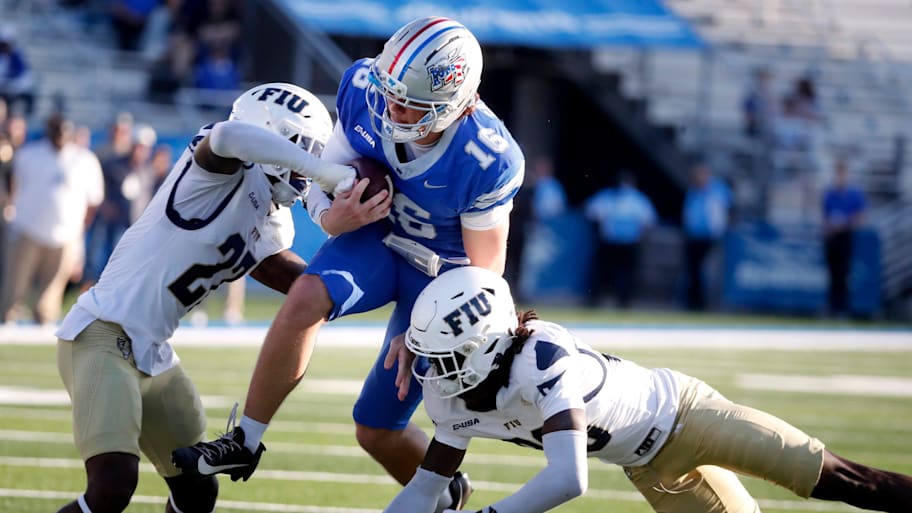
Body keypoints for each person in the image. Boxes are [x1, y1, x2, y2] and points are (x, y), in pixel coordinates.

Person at [173, 16, 525, 512]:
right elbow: (326, 179)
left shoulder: (486, 157)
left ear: (457, 104)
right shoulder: (364, 87)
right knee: (307, 294)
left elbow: (484, 276)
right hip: (376, 238)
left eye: (409, 102)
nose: (391, 107)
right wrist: (331, 219)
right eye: (390, 92)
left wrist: (428, 333)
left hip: (444, 277)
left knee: (375, 430)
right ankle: (245, 440)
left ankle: (447, 497)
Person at [381, 265, 912, 513]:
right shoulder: (449, 395)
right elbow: (426, 489)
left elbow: (568, 479)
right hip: (651, 469)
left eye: (446, 358)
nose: (434, 372)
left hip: (688, 415)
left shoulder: (541, 356)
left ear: (488, 342)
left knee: (840, 479)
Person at [52, 82, 355, 513]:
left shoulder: (273, 218)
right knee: (113, 484)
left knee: (198, 489)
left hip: (154, 351)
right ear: (270, 134)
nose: (307, 170)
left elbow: (304, 285)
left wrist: (365, 265)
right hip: (103, 333)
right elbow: (227, 136)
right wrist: (322, 171)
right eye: (302, 150)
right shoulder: (215, 170)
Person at [0, 114, 103, 325]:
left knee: (49, 297)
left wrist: (79, 233)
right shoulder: (29, 155)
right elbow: (13, 187)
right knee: (13, 289)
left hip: (66, 235)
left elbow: (93, 201)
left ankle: (43, 326)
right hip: (27, 230)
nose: (59, 136)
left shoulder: (84, 160)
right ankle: (6, 321)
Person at [583, 170, 656, 308]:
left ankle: (623, 301)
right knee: (603, 272)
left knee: (626, 274)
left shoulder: (638, 199)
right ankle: (597, 299)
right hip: (610, 242)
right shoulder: (606, 196)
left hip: (629, 242)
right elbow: (590, 211)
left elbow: (647, 221)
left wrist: (641, 238)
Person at [681, 161, 731, 311]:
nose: (698, 178)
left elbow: (722, 212)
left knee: (706, 270)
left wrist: (718, 231)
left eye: (701, 175)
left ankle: (706, 303)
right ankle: (693, 302)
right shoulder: (693, 191)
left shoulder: (717, 190)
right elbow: (688, 212)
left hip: (710, 237)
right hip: (693, 236)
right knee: (693, 269)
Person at [822, 159, 866, 317]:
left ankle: (843, 309)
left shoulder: (854, 194)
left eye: (843, 174)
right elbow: (824, 216)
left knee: (844, 273)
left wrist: (845, 224)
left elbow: (861, 217)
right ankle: (831, 308)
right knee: (832, 273)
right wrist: (830, 227)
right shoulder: (830, 193)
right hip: (832, 237)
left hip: (846, 236)